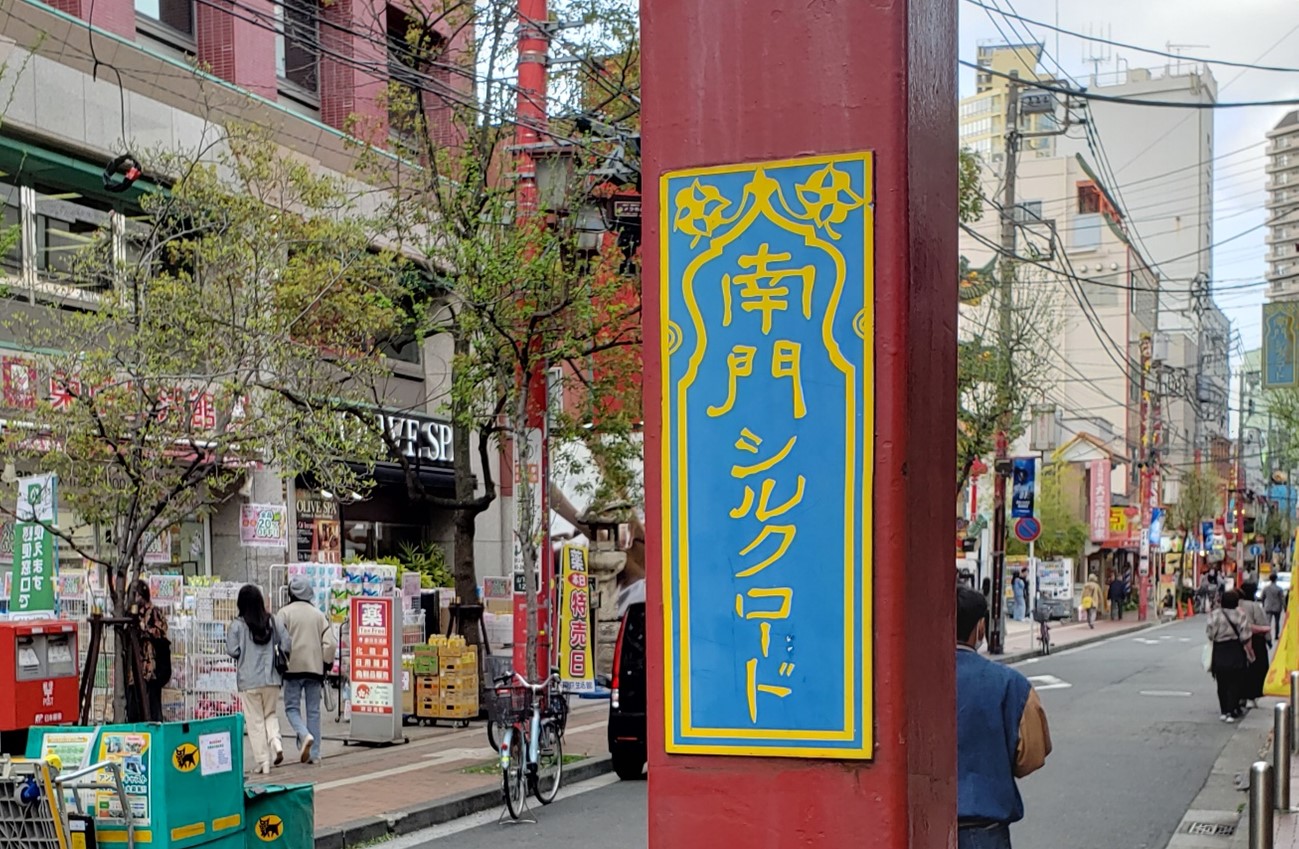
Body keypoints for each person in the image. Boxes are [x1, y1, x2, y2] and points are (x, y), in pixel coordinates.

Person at [956, 586, 1052, 849]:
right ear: (980, 628)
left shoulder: (909, 681)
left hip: (919, 825)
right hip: (983, 828)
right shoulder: (1011, 684)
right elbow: (1031, 756)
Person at [227, 585, 290, 775]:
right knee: (270, 714)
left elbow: (232, 650)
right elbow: (286, 642)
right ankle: (276, 742)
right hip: (272, 678)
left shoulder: (237, 625)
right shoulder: (273, 620)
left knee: (255, 722)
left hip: (249, 680)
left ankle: (263, 762)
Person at [277, 575, 337, 764]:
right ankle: (315, 754)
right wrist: (326, 663)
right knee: (313, 711)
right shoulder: (318, 615)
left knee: (291, 708)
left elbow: (278, 640)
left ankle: (304, 735)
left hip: (291, 667)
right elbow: (330, 644)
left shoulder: (284, 614)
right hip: (315, 669)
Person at [1206, 590, 1253, 722]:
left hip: (1219, 649)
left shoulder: (1214, 615)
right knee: (1235, 681)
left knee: (1221, 681)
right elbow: (1246, 635)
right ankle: (1231, 711)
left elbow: (1209, 634)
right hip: (1235, 649)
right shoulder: (1240, 615)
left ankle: (1224, 711)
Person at [126, 579, 168, 723]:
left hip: (151, 668)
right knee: (133, 708)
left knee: (151, 707)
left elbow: (161, 632)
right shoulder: (130, 613)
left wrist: (144, 629)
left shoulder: (154, 612)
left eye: (136, 595)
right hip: (133, 669)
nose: (134, 599)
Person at [1238, 581, 1273, 710]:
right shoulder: (1254, 606)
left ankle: (1240, 696)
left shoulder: (1237, 605)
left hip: (1238, 641)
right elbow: (1263, 624)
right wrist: (1268, 639)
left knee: (1241, 671)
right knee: (1256, 670)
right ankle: (1251, 697)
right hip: (1255, 641)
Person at [1261, 573, 1286, 640]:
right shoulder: (1279, 589)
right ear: (1276, 579)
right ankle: (1276, 635)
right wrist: (1285, 607)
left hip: (1268, 607)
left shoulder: (1266, 588)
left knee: (1268, 622)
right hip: (1277, 607)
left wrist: (1263, 604)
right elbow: (1282, 599)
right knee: (1277, 622)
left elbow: (1262, 597)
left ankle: (1267, 635)